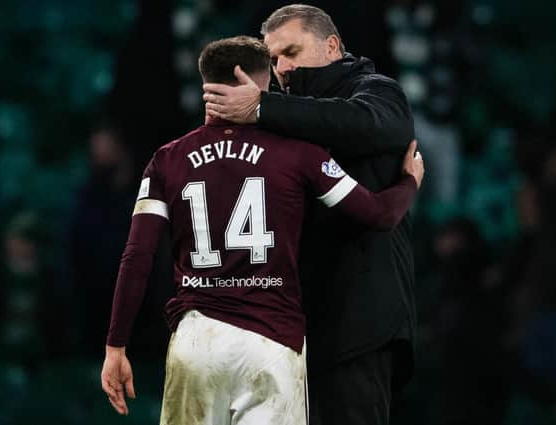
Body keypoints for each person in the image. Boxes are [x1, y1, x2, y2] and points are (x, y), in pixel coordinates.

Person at [101, 36, 424, 425]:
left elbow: (137, 257)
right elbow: (377, 214)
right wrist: (409, 182)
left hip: (197, 340)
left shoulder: (167, 160)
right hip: (271, 343)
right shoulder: (299, 153)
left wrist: (115, 346)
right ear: (256, 80)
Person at [202, 5, 415, 425]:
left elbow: (370, 125)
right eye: (275, 58)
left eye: (292, 52)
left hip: (359, 324)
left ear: (332, 45)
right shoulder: (284, 113)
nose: (283, 67)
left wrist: (262, 109)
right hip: (295, 327)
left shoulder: (375, 89)